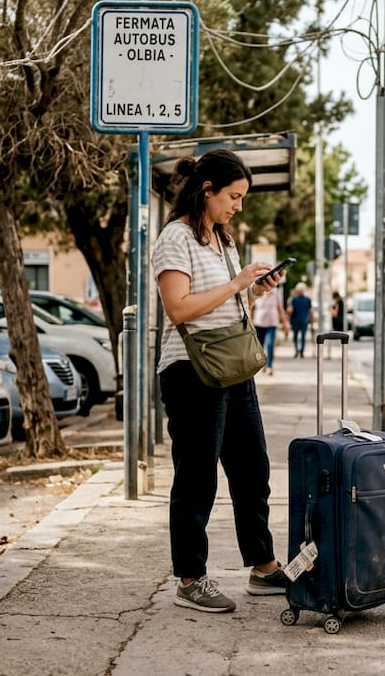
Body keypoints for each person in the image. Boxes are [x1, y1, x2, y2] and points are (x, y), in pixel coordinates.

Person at [149, 148, 290, 613]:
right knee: (197, 477)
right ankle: (191, 578)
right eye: (233, 196)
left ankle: (264, 567)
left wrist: (252, 293)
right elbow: (179, 308)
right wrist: (235, 285)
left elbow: (226, 309)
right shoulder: (175, 237)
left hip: (232, 366)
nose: (238, 206)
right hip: (191, 371)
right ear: (206, 190)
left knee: (252, 469)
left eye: (242, 197)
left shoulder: (223, 239)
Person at [252, 284, 288, 375]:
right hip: (259, 323)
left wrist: (285, 323)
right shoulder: (257, 289)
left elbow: (280, 307)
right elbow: (252, 306)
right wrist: (250, 321)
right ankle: (261, 366)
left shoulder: (275, 292)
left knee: (270, 345)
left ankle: (269, 366)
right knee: (259, 347)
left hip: (272, 323)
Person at [288, 282, 312, 358]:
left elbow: (290, 310)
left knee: (296, 336)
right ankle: (300, 352)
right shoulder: (307, 300)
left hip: (297, 320)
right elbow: (311, 311)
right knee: (302, 337)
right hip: (302, 320)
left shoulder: (294, 299)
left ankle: (298, 351)